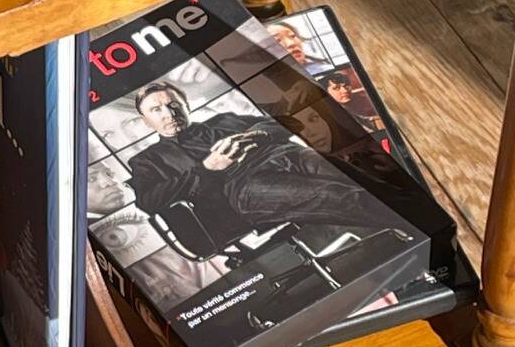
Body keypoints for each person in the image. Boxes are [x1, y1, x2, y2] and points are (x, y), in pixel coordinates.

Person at [127, 80, 409, 250]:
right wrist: (207, 168)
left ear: (185, 104)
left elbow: (283, 123)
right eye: (156, 109)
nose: (169, 113)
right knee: (339, 196)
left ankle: (418, 216)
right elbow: (149, 201)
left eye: (173, 105)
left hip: (285, 155)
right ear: (145, 120)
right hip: (241, 189)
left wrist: (259, 133)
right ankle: (417, 226)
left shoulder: (223, 120)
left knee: (357, 177)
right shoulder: (147, 160)